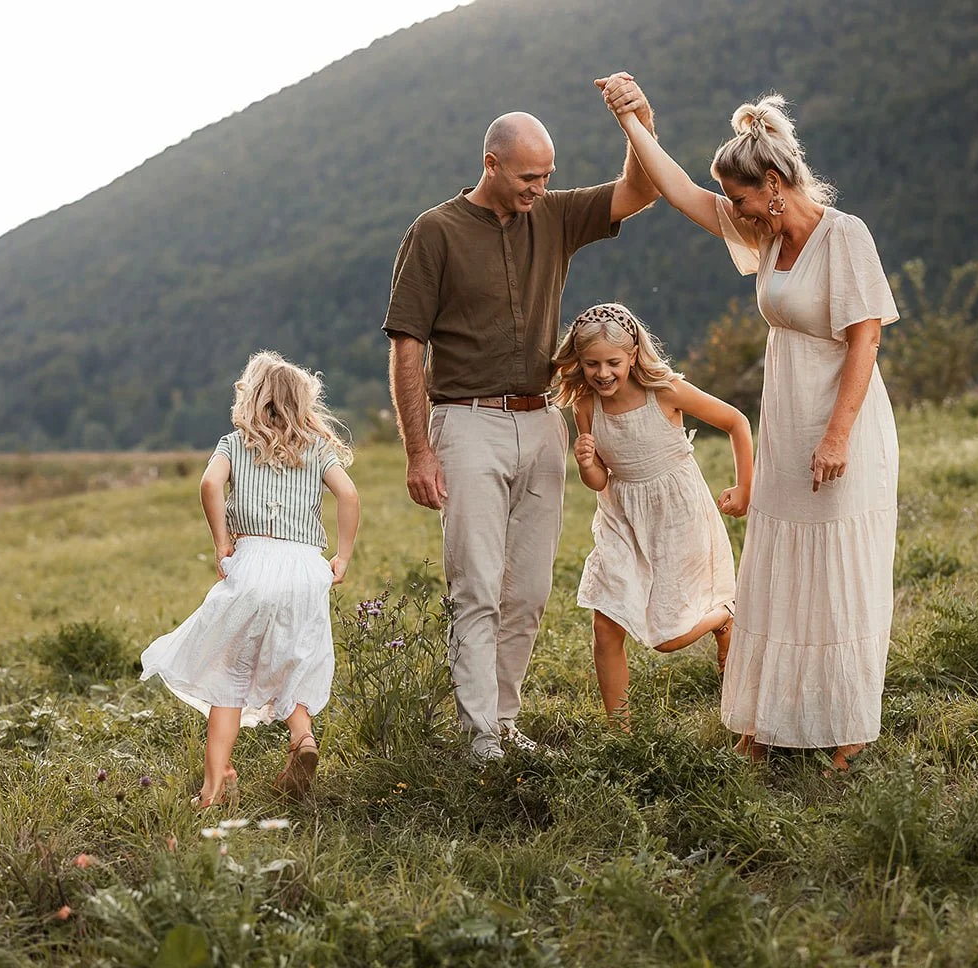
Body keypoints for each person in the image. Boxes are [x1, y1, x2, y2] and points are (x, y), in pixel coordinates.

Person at [598, 76, 900, 773]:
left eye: (737, 197)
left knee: (837, 572)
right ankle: (770, 719)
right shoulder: (764, 236)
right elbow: (676, 190)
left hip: (843, 424)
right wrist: (631, 123)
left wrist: (836, 436)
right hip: (787, 422)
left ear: (772, 182)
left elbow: (866, 340)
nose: (732, 211)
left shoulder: (845, 237)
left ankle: (846, 725)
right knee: (776, 568)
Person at [382, 94, 661, 761]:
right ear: (492, 163)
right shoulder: (435, 231)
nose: (541, 187)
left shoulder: (557, 215)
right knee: (476, 585)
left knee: (529, 591)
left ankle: (504, 724)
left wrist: (637, 124)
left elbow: (640, 189)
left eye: (548, 174)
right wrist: (419, 451)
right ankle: (479, 737)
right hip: (465, 423)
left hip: (542, 424)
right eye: (529, 176)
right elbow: (406, 347)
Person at [140, 351, 360, 804]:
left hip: (254, 559)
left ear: (251, 397)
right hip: (305, 569)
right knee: (295, 659)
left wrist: (222, 542)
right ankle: (302, 738)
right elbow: (349, 495)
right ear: (304, 403)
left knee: (229, 670)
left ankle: (215, 783)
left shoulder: (235, 443)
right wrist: (342, 556)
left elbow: (208, 484)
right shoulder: (316, 449)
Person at [554, 301, 751, 729]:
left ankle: (727, 614)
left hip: (676, 515)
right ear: (579, 362)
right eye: (591, 364)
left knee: (666, 638)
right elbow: (600, 481)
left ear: (632, 356)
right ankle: (619, 731)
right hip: (620, 519)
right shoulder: (586, 405)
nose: (602, 373)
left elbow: (736, 422)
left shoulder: (664, 391)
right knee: (606, 626)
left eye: (612, 363)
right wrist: (587, 462)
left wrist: (745, 488)